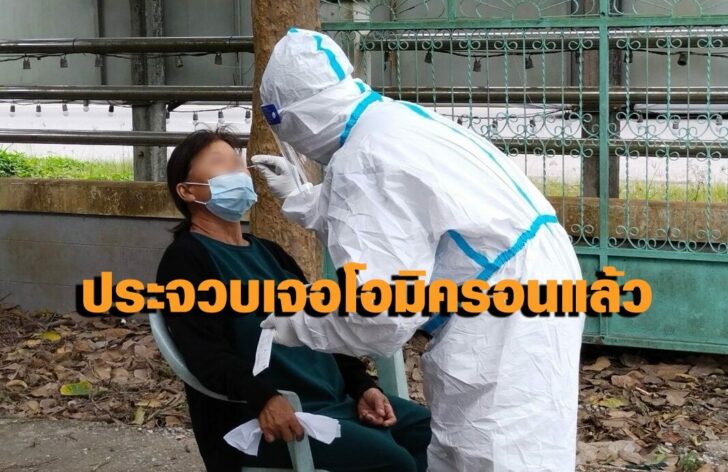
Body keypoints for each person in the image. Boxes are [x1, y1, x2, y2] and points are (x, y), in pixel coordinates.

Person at [251, 28, 585, 471]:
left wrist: (299, 323)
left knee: (492, 452)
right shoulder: (391, 122)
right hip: (525, 283)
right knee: (488, 446)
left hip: (503, 310)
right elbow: (401, 213)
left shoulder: (364, 158)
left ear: (295, 118)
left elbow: (382, 312)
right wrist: (303, 200)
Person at [155, 127, 431, 472]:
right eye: (219, 162)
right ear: (186, 190)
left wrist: (363, 387)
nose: (238, 170)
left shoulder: (270, 252)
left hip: (335, 400)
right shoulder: (186, 259)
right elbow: (204, 353)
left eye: (238, 163)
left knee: (430, 434)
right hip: (268, 417)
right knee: (393, 462)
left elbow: (322, 323)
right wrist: (263, 398)